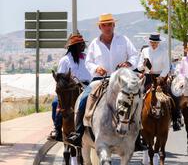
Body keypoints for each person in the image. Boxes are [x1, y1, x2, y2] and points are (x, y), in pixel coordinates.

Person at [66, 13, 139, 147]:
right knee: (84, 97)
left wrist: (128, 63)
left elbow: (135, 56)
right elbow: (88, 63)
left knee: (136, 98)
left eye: (109, 24)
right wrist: (96, 68)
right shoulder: (94, 43)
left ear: (114, 25)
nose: (107, 27)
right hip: (100, 79)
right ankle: (78, 132)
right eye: (104, 25)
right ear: (100, 27)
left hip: (121, 80)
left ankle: (138, 135)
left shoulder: (123, 40)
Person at [48, 33, 91, 141]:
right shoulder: (65, 60)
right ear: (73, 46)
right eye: (79, 44)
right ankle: (57, 128)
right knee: (55, 104)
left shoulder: (87, 57)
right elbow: (61, 78)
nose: (82, 46)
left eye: (82, 44)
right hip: (69, 89)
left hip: (87, 86)